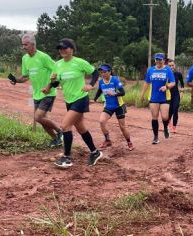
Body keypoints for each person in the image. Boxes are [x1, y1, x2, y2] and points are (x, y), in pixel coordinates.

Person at [49, 38, 102, 168]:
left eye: (65, 48)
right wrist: (53, 81)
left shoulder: (79, 62)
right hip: (69, 100)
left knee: (65, 125)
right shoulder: (58, 64)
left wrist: (90, 84)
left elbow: (94, 72)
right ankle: (95, 152)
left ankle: (66, 157)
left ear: (71, 50)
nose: (62, 50)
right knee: (81, 128)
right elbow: (57, 83)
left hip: (80, 99)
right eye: (60, 48)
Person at [8, 34, 62, 147]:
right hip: (37, 94)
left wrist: (49, 86)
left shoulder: (43, 57)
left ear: (33, 44)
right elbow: (25, 77)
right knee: (42, 120)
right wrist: (16, 80)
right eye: (22, 44)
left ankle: (61, 132)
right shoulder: (25, 58)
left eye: (26, 44)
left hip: (48, 93)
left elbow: (57, 70)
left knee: (38, 117)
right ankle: (56, 139)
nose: (23, 47)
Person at [93, 64, 134, 151]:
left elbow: (123, 93)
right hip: (108, 106)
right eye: (101, 72)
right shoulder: (101, 82)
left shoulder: (115, 80)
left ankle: (129, 142)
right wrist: (95, 99)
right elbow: (100, 90)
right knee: (101, 121)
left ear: (109, 72)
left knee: (122, 127)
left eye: (104, 72)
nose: (103, 74)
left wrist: (114, 94)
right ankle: (107, 140)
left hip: (119, 106)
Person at [141, 53, 176, 144]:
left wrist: (166, 87)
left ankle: (165, 127)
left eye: (160, 59)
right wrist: (142, 95)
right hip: (153, 97)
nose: (158, 61)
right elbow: (146, 83)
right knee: (154, 117)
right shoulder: (151, 70)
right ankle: (155, 137)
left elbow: (173, 83)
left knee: (165, 117)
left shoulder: (167, 69)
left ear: (164, 60)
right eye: (157, 59)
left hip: (165, 97)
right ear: (155, 60)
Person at [166, 59, 184, 133]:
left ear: (175, 66)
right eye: (169, 66)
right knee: (170, 110)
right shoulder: (165, 74)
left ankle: (174, 127)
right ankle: (168, 121)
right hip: (167, 95)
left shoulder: (178, 74)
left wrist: (182, 92)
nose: (171, 67)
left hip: (176, 94)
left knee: (175, 109)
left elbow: (182, 84)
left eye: (172, 65)